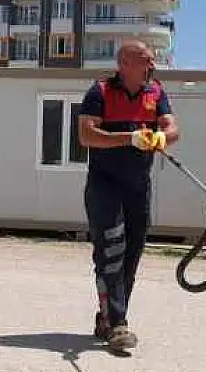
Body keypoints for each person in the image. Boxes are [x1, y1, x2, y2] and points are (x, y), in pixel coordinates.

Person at [77, 40, 180, 353]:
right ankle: (119, 324)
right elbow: (86, 135)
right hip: (104, 185)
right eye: (146, 60)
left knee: (132, 254)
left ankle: (108, 318)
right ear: (125, 63)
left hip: (138, 187)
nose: (153, 66)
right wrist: (130, 137)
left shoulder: (156, 93)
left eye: (153, 60)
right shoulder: (100, 92)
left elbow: (173, 127)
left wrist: (162, 135)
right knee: (111, 251)